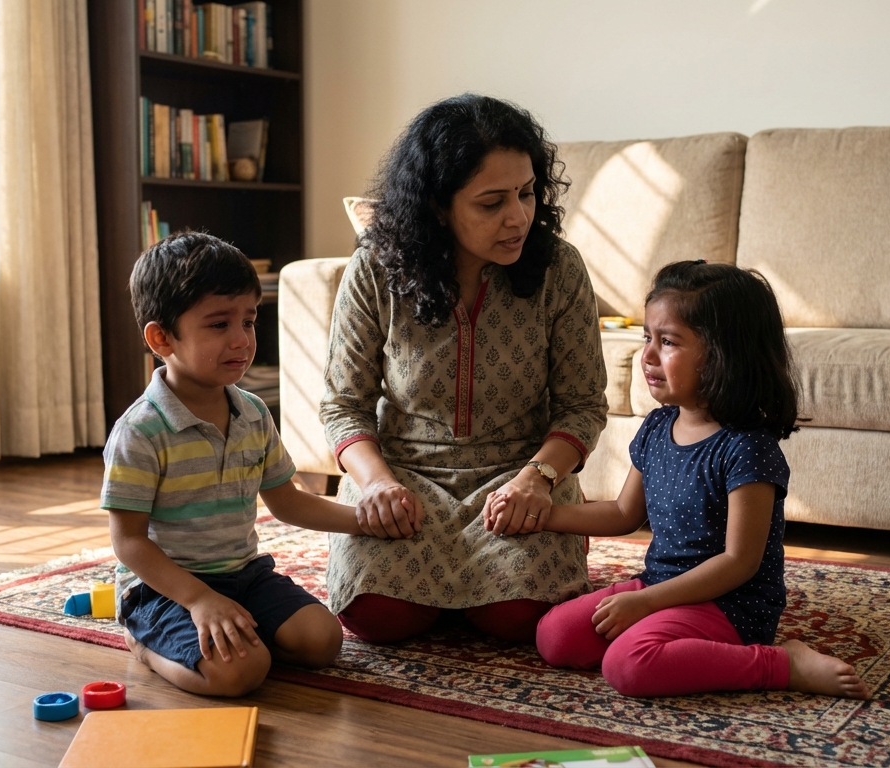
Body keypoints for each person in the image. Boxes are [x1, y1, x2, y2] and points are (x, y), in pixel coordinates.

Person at [506, 260, 870, 699]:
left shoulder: (747, 448)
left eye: (669, 342)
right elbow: (623, 513)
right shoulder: (658, 426)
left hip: (731, 604)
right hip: (661, 585)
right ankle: (672, 642)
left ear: (723, 353)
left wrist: (645, 604)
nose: (648, 356)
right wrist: (543, 517)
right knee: (555, 636)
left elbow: (740, 562)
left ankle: (782, 663)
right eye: (647, 338)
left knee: (629, 666)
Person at [320, 94, 608, 644]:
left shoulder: (559, 268)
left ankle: (478, 589)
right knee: (377, 616)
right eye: (491, 202)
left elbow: (582, 404)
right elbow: (343, 403)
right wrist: (376, 484)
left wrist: (539, 479)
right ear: (437, 206)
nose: (518, 216)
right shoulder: (376, 270)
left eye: (526, 193)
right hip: (405, 479)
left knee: (518, 618)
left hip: (517, 481)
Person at [103, 232, 388, 697]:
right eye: (219, 325)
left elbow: (288, 502)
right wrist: (198, 599)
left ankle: (234, 636)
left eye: (249, 322)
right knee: (239, 674)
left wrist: (367, 521)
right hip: (166, 591)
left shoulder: (253, 412)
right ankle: (145, 644)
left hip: (244, 574)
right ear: (161, 338)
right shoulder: (141, 431)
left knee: (323, 640)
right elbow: (128, 542)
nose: (241, 340)